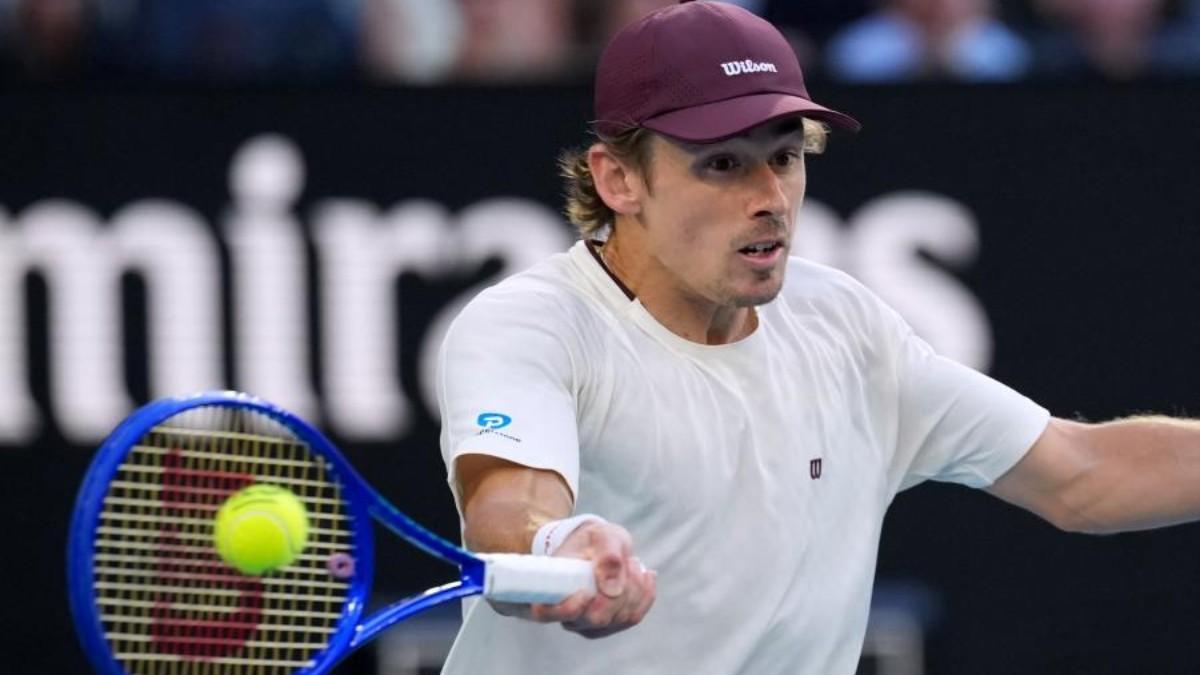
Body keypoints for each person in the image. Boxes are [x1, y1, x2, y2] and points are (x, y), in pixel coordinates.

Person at [437, 1, 1200, 672]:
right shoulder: (532, 323)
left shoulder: (848, 329)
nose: (769, 197)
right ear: (617, 179)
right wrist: (558, 546)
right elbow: (509, 507)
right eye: (723, 163)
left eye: (786, 156)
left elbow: (1082, 474)